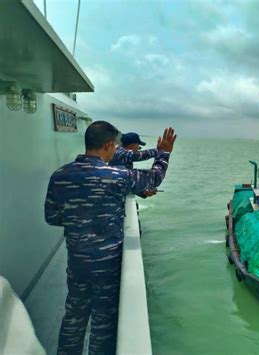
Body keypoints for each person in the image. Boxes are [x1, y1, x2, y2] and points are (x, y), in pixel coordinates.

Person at [44, 121, 176, 354]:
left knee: (74, 315)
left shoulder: (59, 175)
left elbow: (52, 217)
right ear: (107, 145)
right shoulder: (117, 176)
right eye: (114, 146)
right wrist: (164, 153)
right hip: (108, 265)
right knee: (103, 321)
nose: (116, 150)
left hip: (77, 261)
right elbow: (154, 178)